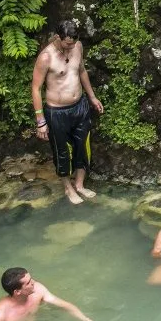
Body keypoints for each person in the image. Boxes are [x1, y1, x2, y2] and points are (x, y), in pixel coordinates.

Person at [31, 19, 104, 204]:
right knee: (62, 151)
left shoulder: (77, 46)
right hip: (57, 112)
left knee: (82, 145)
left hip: (80, 106)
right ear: (58, 37)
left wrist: (92, 97)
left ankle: (79, 184)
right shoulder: (46, 57)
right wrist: (40, 120)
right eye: (67, 43)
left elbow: (81, 71)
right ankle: (67, 187)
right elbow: (35, 88)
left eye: (73, 43)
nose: (70, 47)